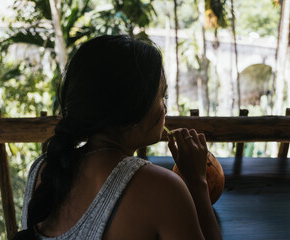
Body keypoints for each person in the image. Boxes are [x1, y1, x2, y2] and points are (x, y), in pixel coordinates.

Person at [13, 35, 222, 240]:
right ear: (133, 107)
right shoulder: (163, 188)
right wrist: (196, 182)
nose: (165, 108)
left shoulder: (43, 169)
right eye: (162, 96)